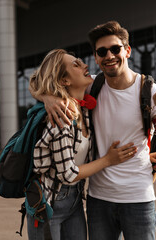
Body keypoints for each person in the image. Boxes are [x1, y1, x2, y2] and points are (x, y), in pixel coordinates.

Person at [36, 21, 156, 240]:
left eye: (115, 49)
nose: (109, 55)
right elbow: (42, 80)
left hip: (138, 200)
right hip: (99, 201)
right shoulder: (91, 85)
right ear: (96, 57)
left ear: (127, 51)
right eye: (102, 51)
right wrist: (47, 98)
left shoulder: (150, 92)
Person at [27, 49, 142, 240]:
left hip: (75, 201)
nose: (85, 66)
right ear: (65, 81)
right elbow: (68, 174)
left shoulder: (83, 111)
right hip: (49, 203)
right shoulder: (61, 117)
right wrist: (108, 160)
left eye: (81, 62)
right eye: (76, 65)